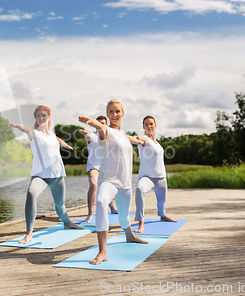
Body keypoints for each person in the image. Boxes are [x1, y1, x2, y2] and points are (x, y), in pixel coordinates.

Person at [79, 99, 147, 265]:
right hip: (109, 180)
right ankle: (102, 251)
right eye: (111, 112)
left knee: (124, 216)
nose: (114, 115)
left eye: (117, 111)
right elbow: (100, 127)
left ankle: (129, 235)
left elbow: (129, 138)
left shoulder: (123, 134)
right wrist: (91, 122)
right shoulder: (105, 131)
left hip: (125, 183)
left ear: (122, 113)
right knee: (101, 202)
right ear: (107, 114)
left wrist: (139, 141)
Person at [8, 105, 83, 244]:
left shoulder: (52, 135)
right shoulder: (34, 134)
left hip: (57, 175)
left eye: (44, 115)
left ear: (49, 117)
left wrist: (64, 144)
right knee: (31, 193)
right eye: (38, 116)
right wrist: (19, 126)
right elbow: (28, 129)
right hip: (40, 176)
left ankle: (67, 223)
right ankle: (29, 233)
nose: (41, 118)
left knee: (60, 204)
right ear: (35, 118)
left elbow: (55, 138)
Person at [134, 115, 176, 233]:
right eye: (146, 124)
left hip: (161, 178)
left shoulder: (156, 142)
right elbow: (136, 139)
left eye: (151, 124)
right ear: (143, 126)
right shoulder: (144, 139)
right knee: (140, 190)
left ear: (155, 126)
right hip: (148, 178)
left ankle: (162, 216)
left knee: (162, 202)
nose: (149, 126)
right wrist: (125, 137)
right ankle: (141, 223)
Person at [79, 115, 117, 223]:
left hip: (106, 166)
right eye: (98, 123)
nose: (100, 125)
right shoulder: (93, 135)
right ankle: (90, 213)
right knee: (94, 185)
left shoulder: (110, 137)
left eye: (103, 123)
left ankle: (112, 207)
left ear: (106, 125)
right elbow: (89, 137)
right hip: (94, 166)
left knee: (108, 186)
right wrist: (86, 134)